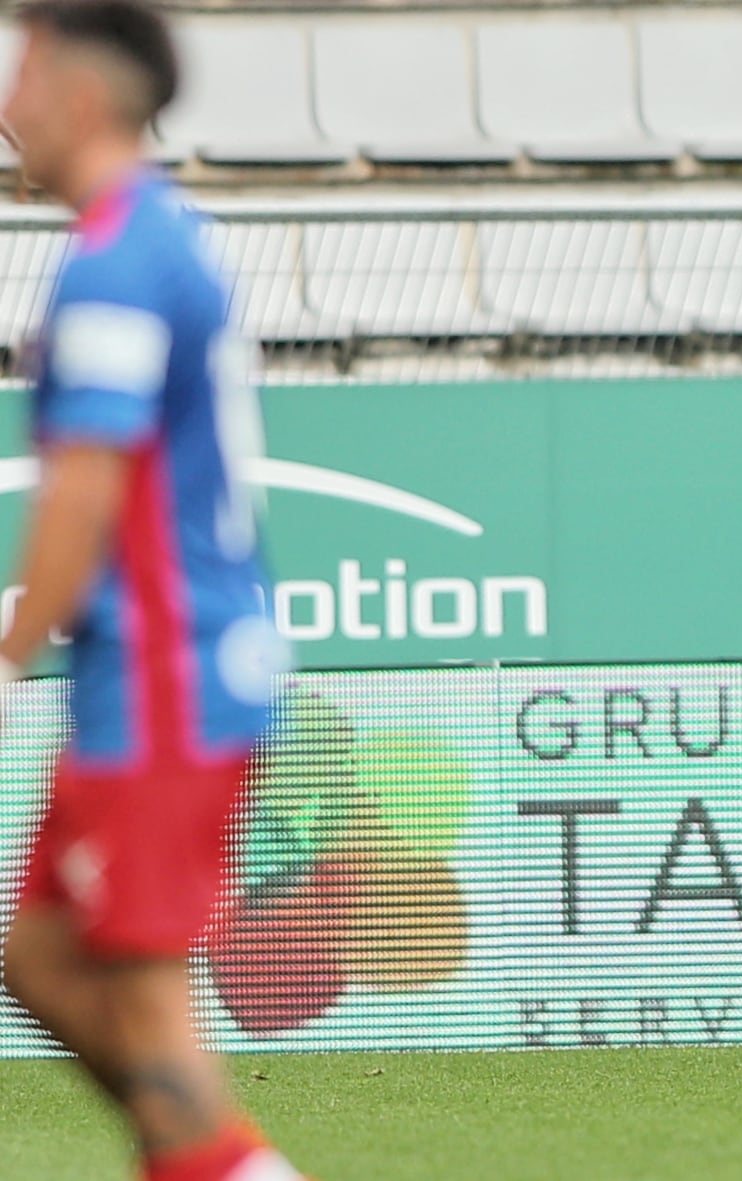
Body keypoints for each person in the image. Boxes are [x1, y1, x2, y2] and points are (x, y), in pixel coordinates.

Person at [0, 3, 302, 1178]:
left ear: (79, 97)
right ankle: (220, 1159)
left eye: (21, 74)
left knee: (138, 983)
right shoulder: (156, 233)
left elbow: (87, 488)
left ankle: (216, 1160)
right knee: (36, 950)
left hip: (171, 677)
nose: (7, 104)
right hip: (157, 675)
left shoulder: (121, 256)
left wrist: (9, 651)